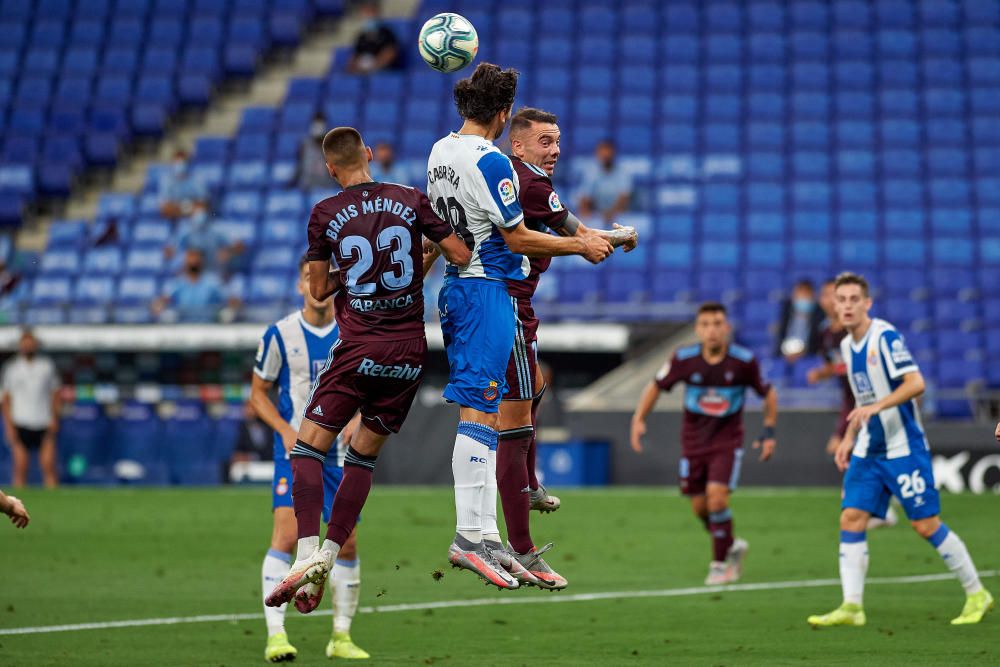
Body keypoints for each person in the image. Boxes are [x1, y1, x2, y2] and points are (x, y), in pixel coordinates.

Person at [264, 127, 470, 611]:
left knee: (306, 448)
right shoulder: (410, 198)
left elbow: (317, 291)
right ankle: (332, 554)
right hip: (408, 354)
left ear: (331, 169)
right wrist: (433, 250)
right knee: (362, 457)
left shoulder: (325, 214)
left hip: (359, 348)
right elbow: (459, 252)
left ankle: (308, 552)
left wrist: (356, 271)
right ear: (370, 156)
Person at [424, 63, 613, 590]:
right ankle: (472, 539)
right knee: (487, 418)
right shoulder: (494, 164)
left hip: (455, 288)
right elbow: (518, 239)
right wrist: (581, 244)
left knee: (489, 412)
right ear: (505, 117)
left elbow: (438, 226)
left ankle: (487, 537)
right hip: (490, 293)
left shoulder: (440, 151)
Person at [492, 107, 638, 589]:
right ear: (519, 144)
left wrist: (610, 236)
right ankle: (520, 548)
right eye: (545, 141)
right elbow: (581, 237)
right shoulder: (531, 185)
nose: (554, 150)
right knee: (507, 424)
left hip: (510, 306)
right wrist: (617, 237)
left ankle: (528, 486)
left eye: (557, 141)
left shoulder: (512, 179)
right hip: (504, 305)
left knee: (533, 389)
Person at [808, 272, 993, 627]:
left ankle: (977, 593)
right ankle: (852, 606)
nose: (846, 306)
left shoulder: (884, 337)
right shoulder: (847, 346)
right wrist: (848, 436)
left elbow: (916, 382)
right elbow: (861, 400)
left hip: (903, 447)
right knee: (851, 518)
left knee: (925, 525)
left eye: (853, 300)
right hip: (868, 447)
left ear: (867, 304)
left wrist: (878, 407)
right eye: (840, 300)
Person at [251, 256, 368, 661]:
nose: (315, 284)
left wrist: (357, 418)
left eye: (322, 277)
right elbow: (257, 393)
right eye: (307, 277)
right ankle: (276, 634)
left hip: (341, 457)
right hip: (297, 454)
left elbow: (369, 386)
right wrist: (284, 429)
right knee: (285, 537)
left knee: (347, 544)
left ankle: (341, 636)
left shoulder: (353, 331)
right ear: (302, 285)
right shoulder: (280, 334)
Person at [630, 302, 777, 585]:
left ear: (727, 328)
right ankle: (731, 544)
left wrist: (769, 432)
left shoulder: (743, 361)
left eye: (717, 324)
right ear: (698, 330)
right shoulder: (684, 359)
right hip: (693, 443)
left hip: (727, 442)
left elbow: (768, 393)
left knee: (718, 498)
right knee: (700, 507)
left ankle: (720, 565)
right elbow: (656, 386)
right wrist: (639, 419)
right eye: (706, 324)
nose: (712, 330)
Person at [2, 328, 61, 488]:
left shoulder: (46, 366)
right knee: (20, 467)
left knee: (48, 466)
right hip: (21, 421)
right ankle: (17, 509)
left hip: (43, 420)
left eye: (31, 344)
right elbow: (6, 399)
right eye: (25, 344)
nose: (28, 347)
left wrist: (55, 418)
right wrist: (8, 425)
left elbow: (55, 394)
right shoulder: (12, 368)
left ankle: (57, 505)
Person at [151, 249, 228, 323]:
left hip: (208, 327)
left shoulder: (213, 282)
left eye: (197, 257)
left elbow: (226, 301)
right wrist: (159, 306)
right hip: (183, 329)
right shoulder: (178, 283)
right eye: (190, 257)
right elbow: (162, 300)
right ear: (185, 260)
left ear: (202, 260)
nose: (194, 260)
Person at [574, 139, 633, 223]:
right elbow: (584, 197)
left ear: (614, 154)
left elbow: (624, 198)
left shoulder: (623, 172)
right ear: (598, 154)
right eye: (603, 153)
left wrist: (611, 213)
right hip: (597, 214)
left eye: (608, 153)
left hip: (618, 215)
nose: (606, 156)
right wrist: (586, 214)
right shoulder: (591, 171)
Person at [775, 279, 825, 362]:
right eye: (799, 294)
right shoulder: (786, 313)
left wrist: (804, 353)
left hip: (808, 357)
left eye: (805, 295)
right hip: (784, 355)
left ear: (813, 296)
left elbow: (818, 344)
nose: (802, 298)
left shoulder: (820, 316)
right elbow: (780, 338)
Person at [346, 1, 401, 74]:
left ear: (376, 13)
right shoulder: (361, 37)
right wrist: (356, 67)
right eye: (366, 13)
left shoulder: (387, 33)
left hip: (383, 73)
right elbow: (354, 57)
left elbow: (391, 52)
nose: (368, 16)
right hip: (363, 73)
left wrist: (374, 66)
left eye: (370, 12)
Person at [159, 149, 209, 221]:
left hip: (193, 220)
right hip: (176, 217)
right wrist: (188, 208)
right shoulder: (166, 180)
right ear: (172, 164)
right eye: (177, 163)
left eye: (182, 162)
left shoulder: (196, 178)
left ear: (188, 164)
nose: (180, 165)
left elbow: (203, 203)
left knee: (200, 215)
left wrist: (178, 208)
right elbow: (164, 208)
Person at [299, 114, 332, 190]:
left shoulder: (331, 146)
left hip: (326, 187)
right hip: (307, 187)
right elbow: (299, 169)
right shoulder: (304, 145)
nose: (318, 129)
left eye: (320, 126)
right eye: (315, 126)